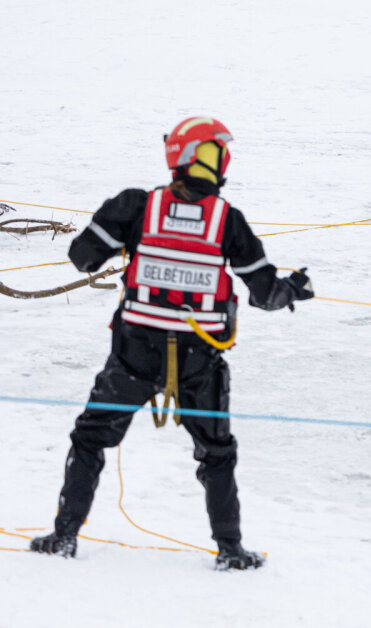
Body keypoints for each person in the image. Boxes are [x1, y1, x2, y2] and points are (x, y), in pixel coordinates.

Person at [29, 117, 314, 570]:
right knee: (217, 454)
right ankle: (230, 552)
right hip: (200, 362)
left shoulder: (135, 207)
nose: (218, 162)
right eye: (214, 154)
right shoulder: (227, 221)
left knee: (90, 439)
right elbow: (263, 294)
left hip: (133, 358)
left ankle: (64, 538)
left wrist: (115, 231)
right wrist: (294, 290)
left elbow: (82, 257)